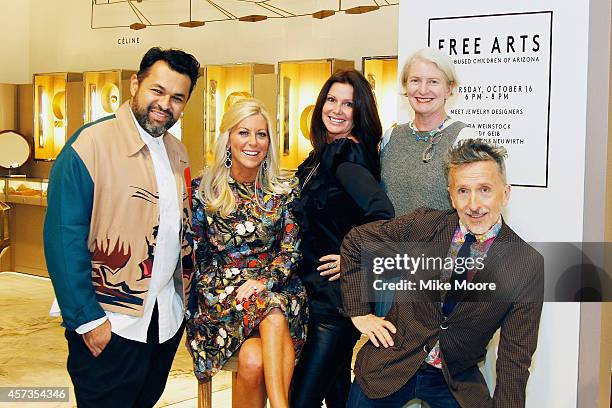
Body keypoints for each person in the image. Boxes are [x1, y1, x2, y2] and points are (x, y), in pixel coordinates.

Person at [43, 47, 200, 407]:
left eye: (177, 98)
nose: (165, 104)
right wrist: (87, 321)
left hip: (163, 322)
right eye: (157, 91)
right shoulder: (90, 145)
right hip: (111, 322)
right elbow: (63, 239)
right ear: (135, 84)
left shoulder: (177, 151)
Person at [341, 139, 544, 408]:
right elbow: (357, 242)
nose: (474, 204)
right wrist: (359, 313)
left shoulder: (526, 264)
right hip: (391, 364)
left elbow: (514, 359)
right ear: (451, 195)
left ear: (505, 194)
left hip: (454, 379)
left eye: (484, 190)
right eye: (463, 191)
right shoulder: (423, 225)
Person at [186, 98, 307, 408]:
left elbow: (290, 251)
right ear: (228, 138)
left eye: (262, 134)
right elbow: (195, 257)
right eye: (244, 133)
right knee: (272, 306)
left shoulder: (284, 190)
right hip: (222, 299)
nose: (253, 142)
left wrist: (264, 281)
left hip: (273, 288)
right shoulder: (203, 191)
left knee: (253, 360)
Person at [290, 70, 395, 408]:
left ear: (358, 112)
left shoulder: (345, 156)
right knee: (336, 394)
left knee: (302, 399)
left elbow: (381, 212)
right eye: (332, 100)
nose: (336, 109)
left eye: (348, 104)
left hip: (333, 304)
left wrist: (351, 259)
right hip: (320, 296)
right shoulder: (324, 153)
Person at [380, 47, 477, 217]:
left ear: (449, 88)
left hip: (441, 243)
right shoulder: (391, 137)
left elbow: (474, 208)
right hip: (391, 243)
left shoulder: (463, 139)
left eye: (433, 81)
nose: (423, 90)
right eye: (415, 80)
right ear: (405, 85)